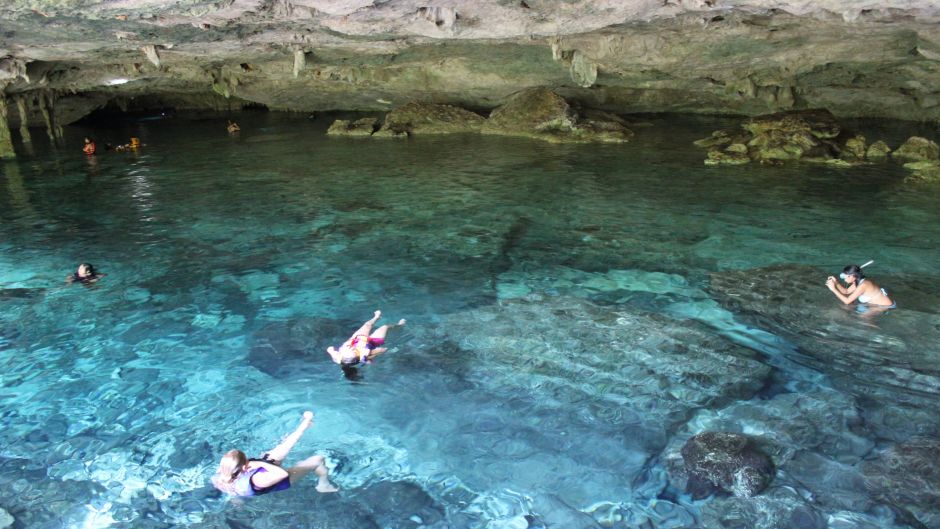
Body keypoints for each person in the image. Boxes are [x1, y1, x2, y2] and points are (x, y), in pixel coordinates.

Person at [212, 411, 338, 497]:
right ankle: (323, 484)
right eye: (247, 460)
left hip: (253, 474)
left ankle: (305, 424)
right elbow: (282, 474)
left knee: (284, 446)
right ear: (245, 466)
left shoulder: (222, 472)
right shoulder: (258, 480)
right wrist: (257, 463)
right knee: (317, 459)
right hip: (280, 479)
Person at [327, 310, 406, 366]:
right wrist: (391, 349)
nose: (351, 348)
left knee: (367, 325)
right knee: (385, 327)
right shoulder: (365, 352)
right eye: (354, 351)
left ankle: (376, 317)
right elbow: (383, 349)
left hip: (356, 340)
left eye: (348, 349)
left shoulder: (337, 356)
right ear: (357, 355)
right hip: (372, 342)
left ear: (341, 355)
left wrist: (331, 350)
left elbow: (329, 348)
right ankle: (400, 325)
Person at [825, 264, 894, 309]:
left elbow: (847, 301)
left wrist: (833, 289)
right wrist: (836, 283)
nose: (844, 278)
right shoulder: (858, 281)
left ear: (853, 276)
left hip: (884, 306)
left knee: (863, 319)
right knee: (852, 309)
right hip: (874, 304)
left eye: (846, 276)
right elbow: (846, 291)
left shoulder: (863, 285)